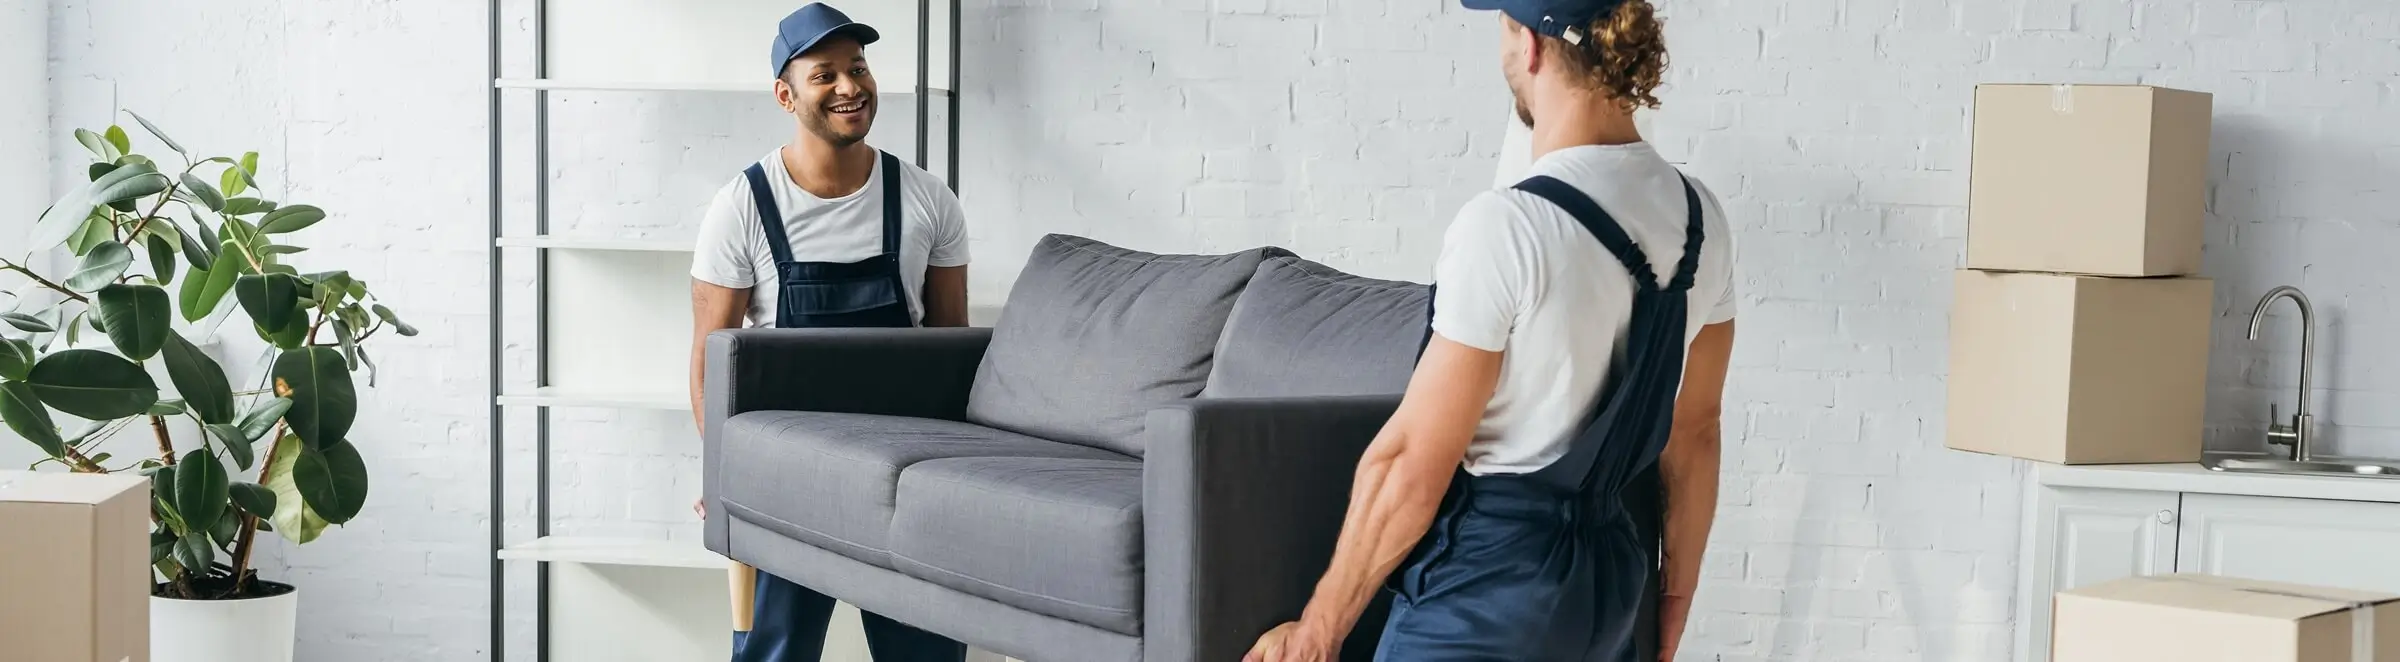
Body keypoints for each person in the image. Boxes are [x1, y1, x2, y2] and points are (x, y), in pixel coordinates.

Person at [1246, 0, 1737, 660]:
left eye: (1502, 26)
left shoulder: (1506, 228)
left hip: (1492, 585)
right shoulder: (1701, 219)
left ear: (1530, 46)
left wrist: (1319, 630)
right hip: (1611, 585)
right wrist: (1669, 602)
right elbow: (1696, 430)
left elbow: (1413, 461)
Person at [686, 3, 972, 661]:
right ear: (787, 95)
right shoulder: (742, 207)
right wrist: (724, 471)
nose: (850, 87)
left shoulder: (928, 199)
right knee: (775, 652)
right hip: (788, 478)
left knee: (925, 655)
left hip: (909, 479)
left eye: (858, 68)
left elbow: (957, 354)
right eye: (825, 75)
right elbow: (710, 358)